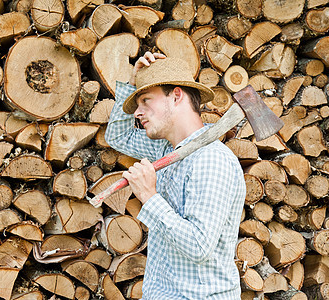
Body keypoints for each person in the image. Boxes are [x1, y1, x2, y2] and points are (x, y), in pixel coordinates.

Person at [105, 52, 246, 299]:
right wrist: (132, 81)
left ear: (177, 95)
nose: (137, 113)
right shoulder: (166, 150)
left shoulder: (211, 160)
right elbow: (118, 136)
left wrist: (149, 197)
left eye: (146, 100)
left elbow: (199, 246)